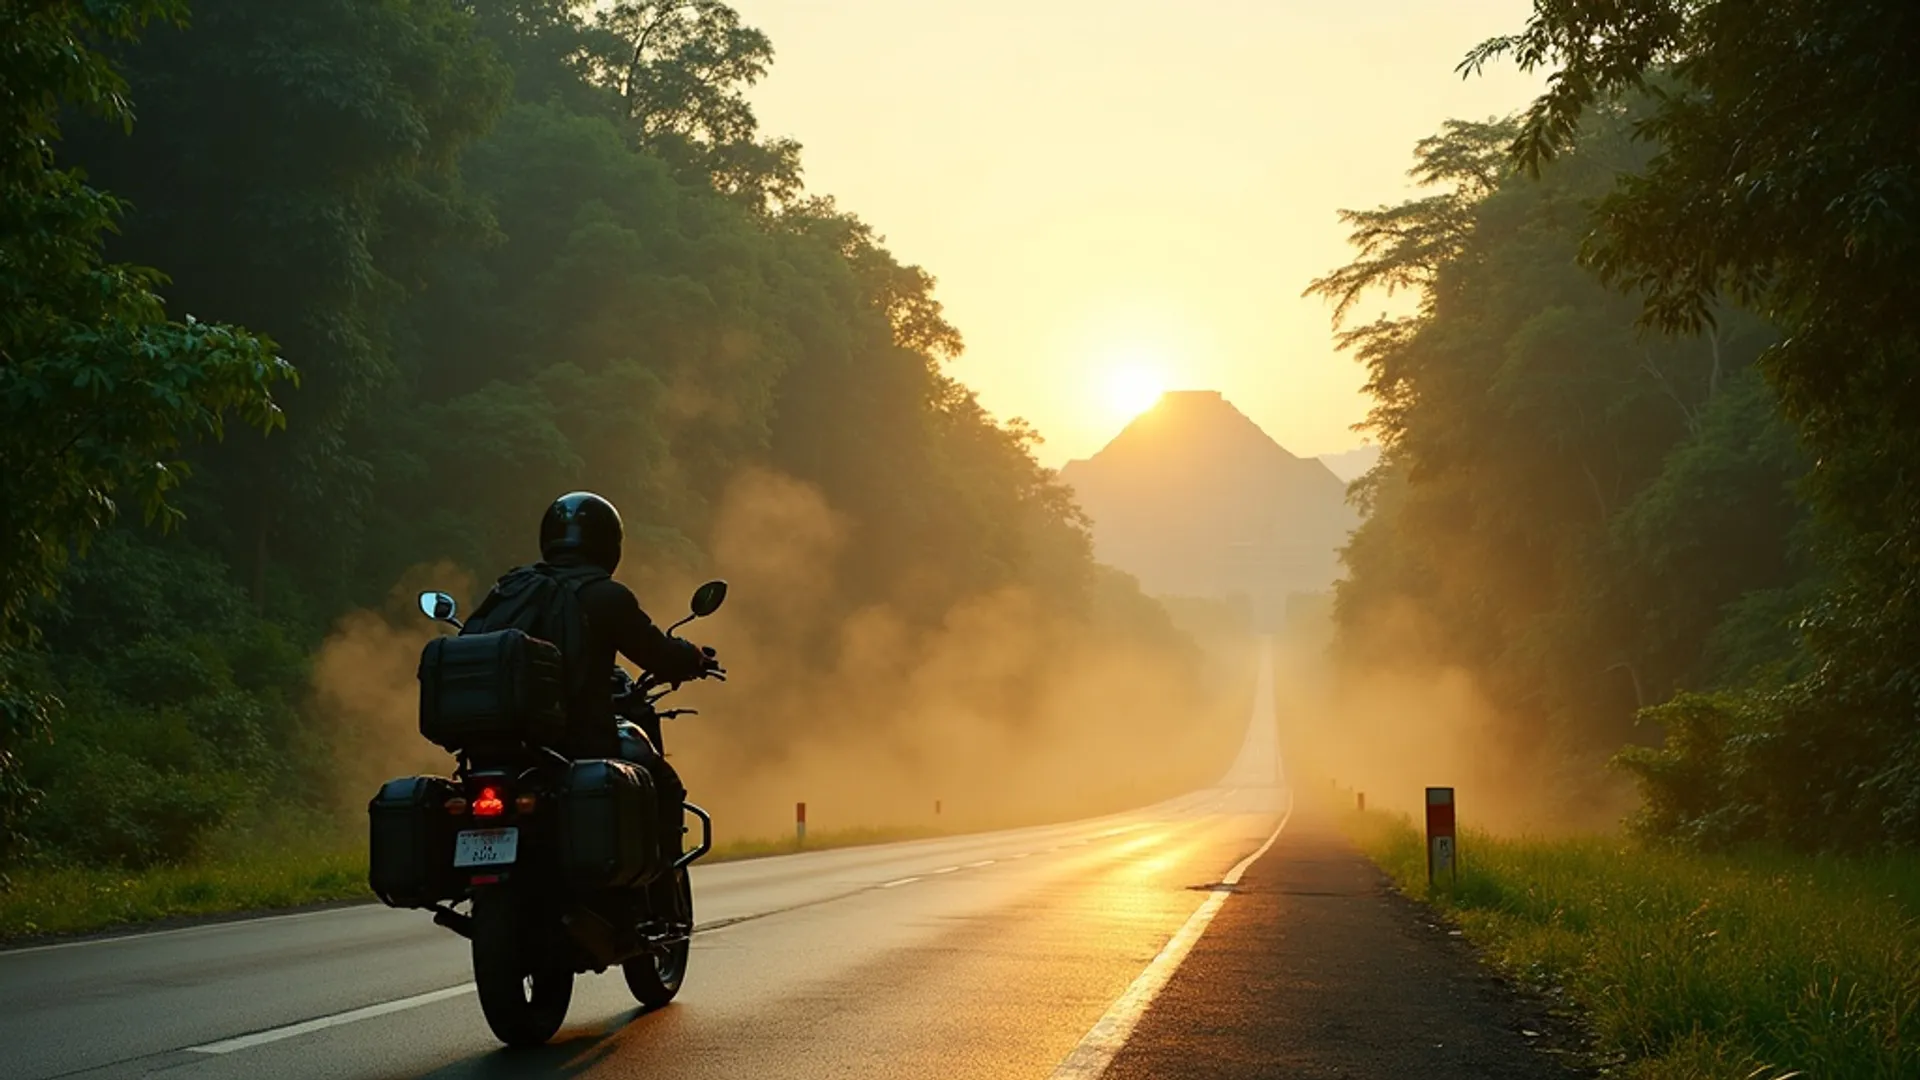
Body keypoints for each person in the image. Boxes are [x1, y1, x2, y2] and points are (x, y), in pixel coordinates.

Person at [464, 491, 716, 922]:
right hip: (579, 740)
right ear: (609, 543)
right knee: (664, 784)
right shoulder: (606, 596)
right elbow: (655, 652)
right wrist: (694, 658)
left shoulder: (512, 589)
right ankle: (657, 893)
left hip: (500, 747)